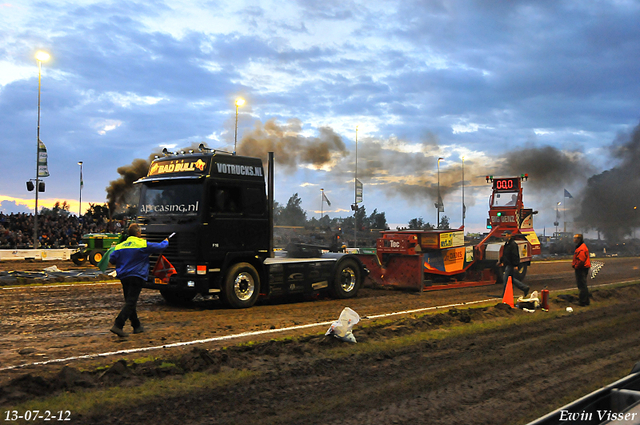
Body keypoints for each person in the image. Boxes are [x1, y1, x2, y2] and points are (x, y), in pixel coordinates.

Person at [108, 223, 168, 337]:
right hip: (137, 275)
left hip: (124, 276)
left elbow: (112, 259)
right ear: (139, 233)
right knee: (131, 302)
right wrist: (166, 241)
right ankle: (118, 324)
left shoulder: (121, 245)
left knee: (130, 302)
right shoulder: (142, 243)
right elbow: (160, 247)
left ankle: (137, 326)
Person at [498, 230, 529, 297]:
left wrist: (515, 265)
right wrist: (500, 261)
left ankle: (505, 294)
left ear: (509, 235)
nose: (503, 237)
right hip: (508, 264)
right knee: (511, 279)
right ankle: (524, 288)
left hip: (510, 265)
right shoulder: (507, 244)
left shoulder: (513, 245)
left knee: (506, 278)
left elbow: (515, 255)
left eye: (505, 235)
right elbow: (505, 254)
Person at [572, 233, 591, 306]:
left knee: (582, 285)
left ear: (579, 239)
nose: (574, 239)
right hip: (582, 268)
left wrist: (576, 266)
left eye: (575, 238)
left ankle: (583, 302)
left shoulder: (581, 248)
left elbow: (581, 260)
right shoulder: (580, 247)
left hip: (581, 269)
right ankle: (585, 300)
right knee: (582, 285)